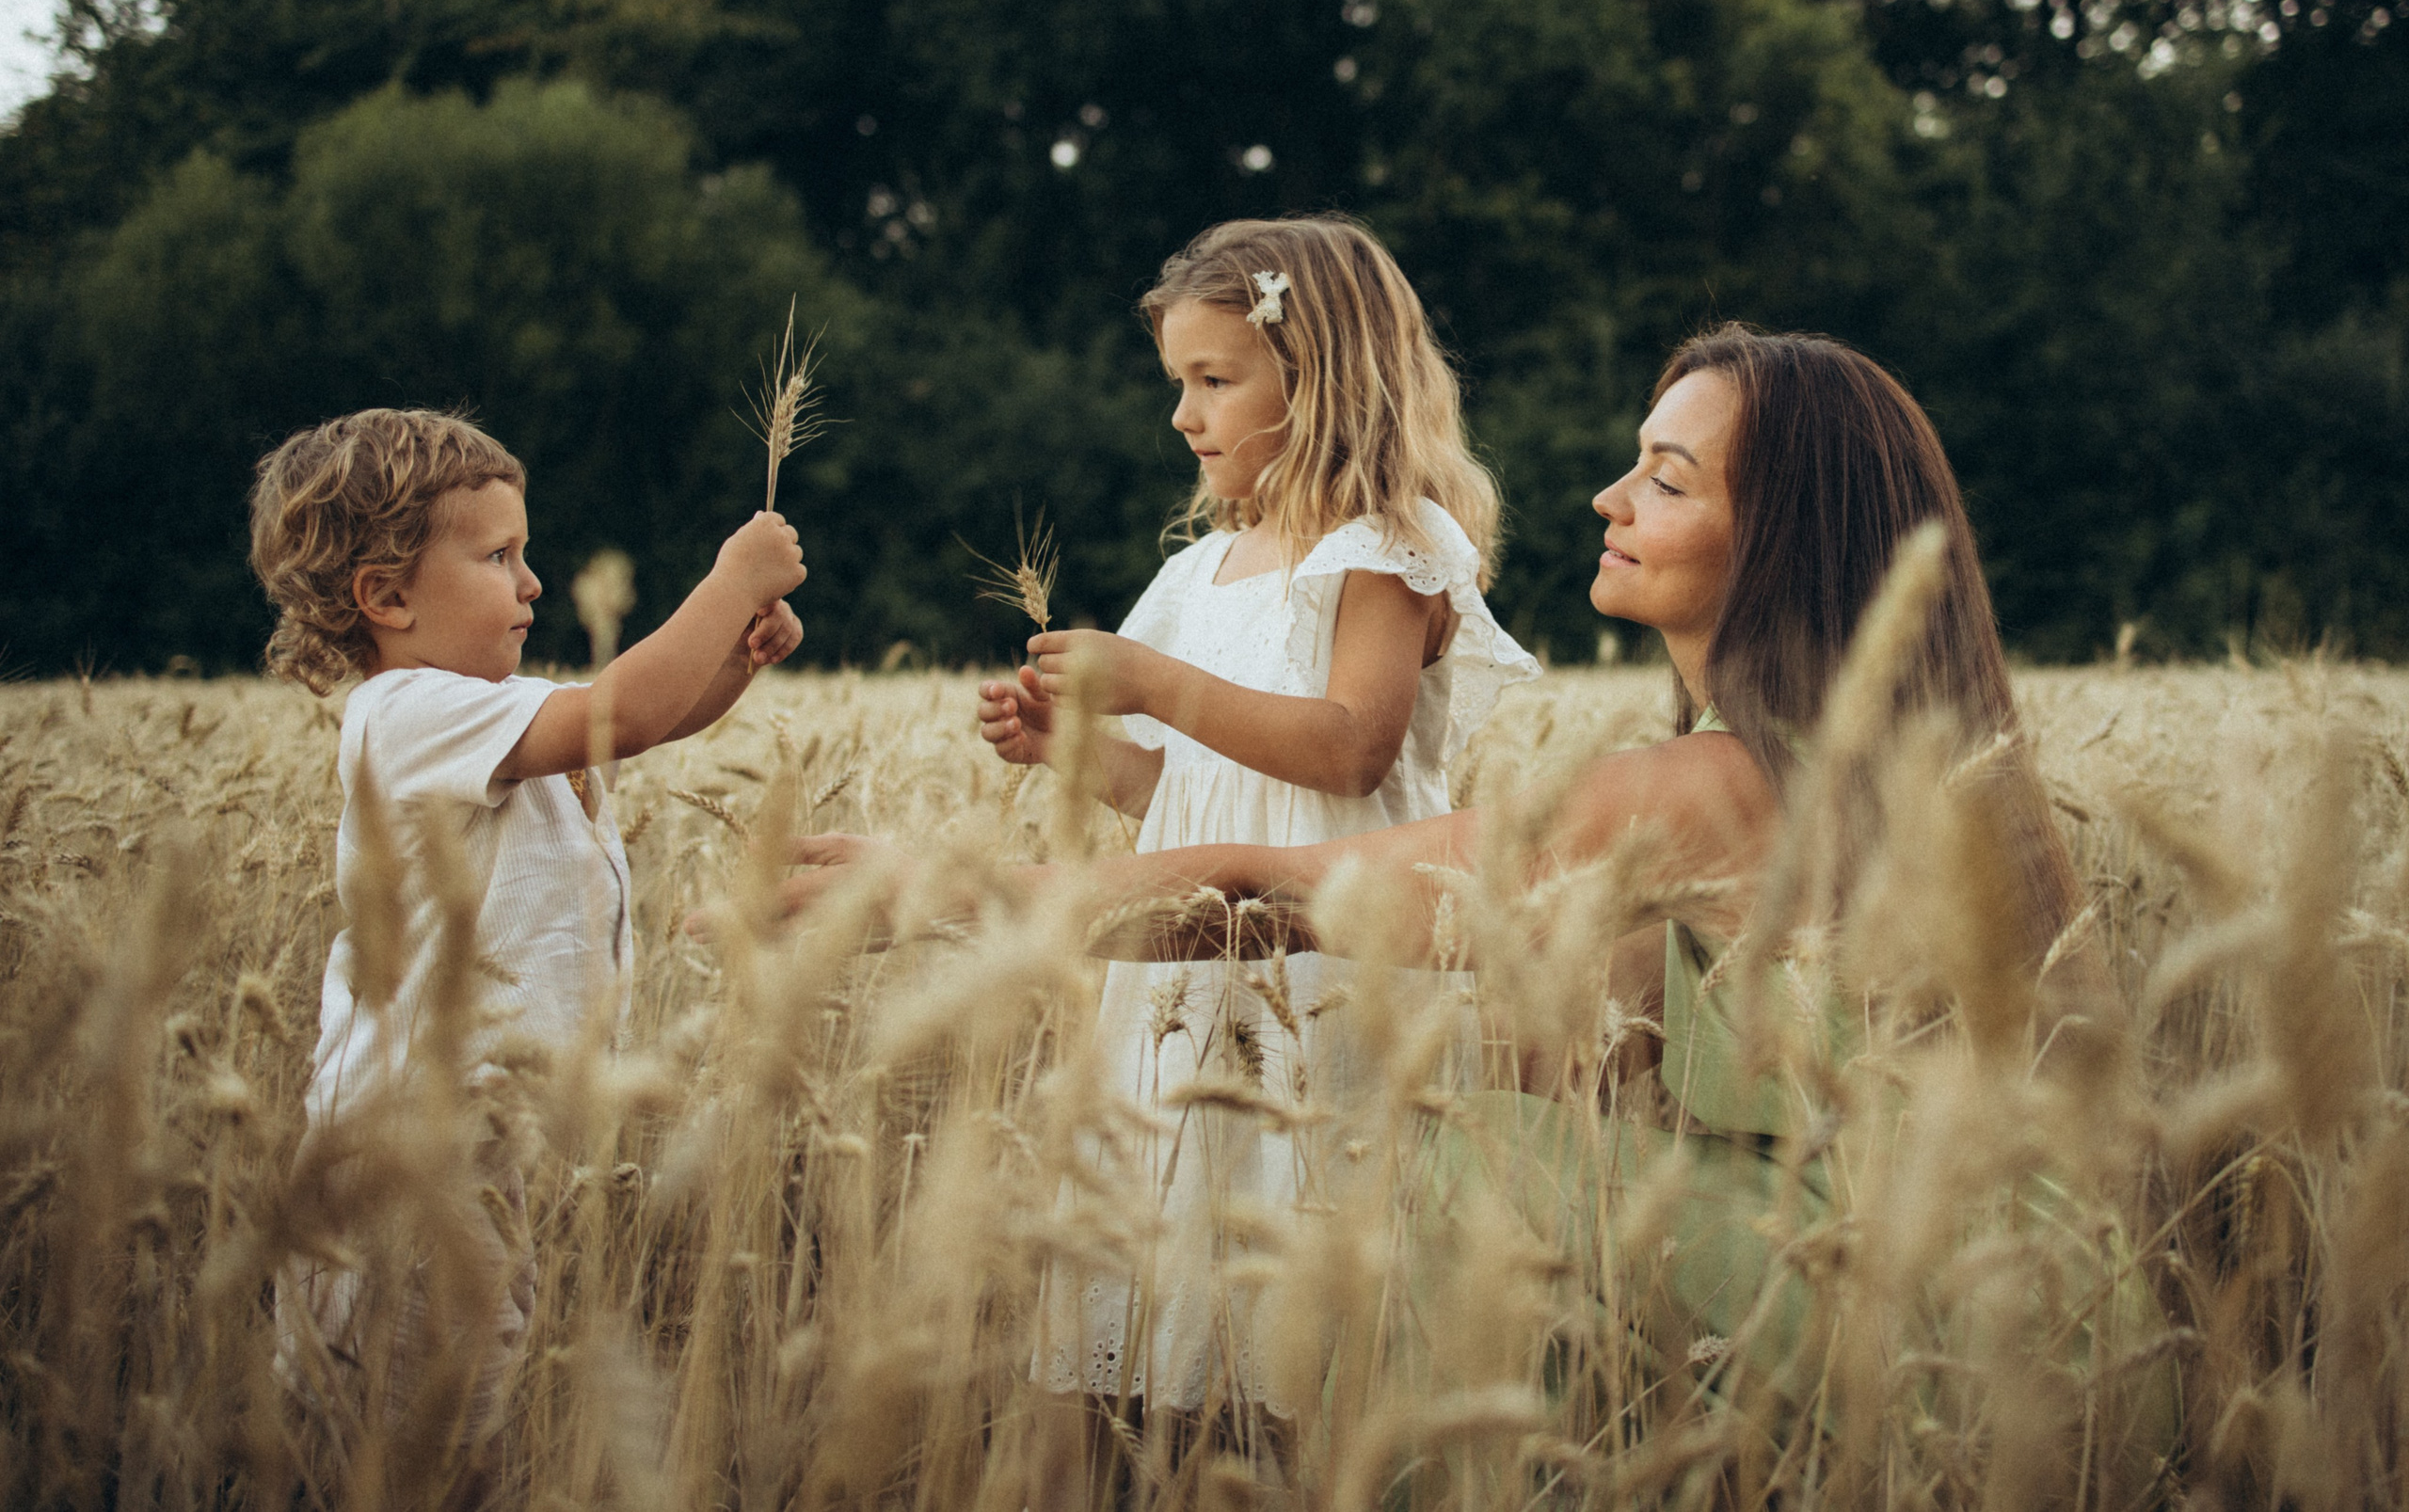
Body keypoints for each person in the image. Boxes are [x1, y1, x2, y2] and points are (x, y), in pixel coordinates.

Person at [795, 325, 2172, 1488]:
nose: (1607, 497)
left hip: (1916, 1334)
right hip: (2058, 1332)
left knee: (1446, 1169)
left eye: (1666, 478)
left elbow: (1281, 891)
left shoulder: (1689, 792)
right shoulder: (1915, 776)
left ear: (1778, 536)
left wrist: (946, 888)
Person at [971, 216, 1540, 1418]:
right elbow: (1179, 785)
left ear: (1324, 376)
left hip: (1323, 959)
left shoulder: (1385, 547)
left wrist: (1153, 684)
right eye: (1178, 382)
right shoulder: (1199, 571)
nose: (1185, 415)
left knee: (1308, 1236)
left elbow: (1349, 748)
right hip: (1192, 964)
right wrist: (1077, 752)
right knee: (1184, 1229)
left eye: (1215, 380)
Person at [247, 407, 805, 1474]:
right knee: (407, 1437)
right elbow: (622, 716)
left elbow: (647, 718)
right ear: (387, 597)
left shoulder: (485, 710)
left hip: (483, 1151)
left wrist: (733, 662)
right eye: (500, 556)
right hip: (404, 1164)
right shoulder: (404, 713)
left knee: (463, 1414)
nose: (534, 582)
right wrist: (730, 580)